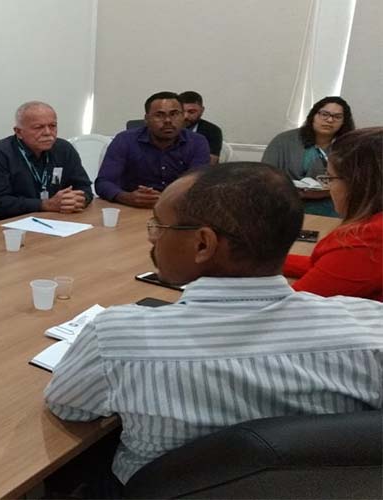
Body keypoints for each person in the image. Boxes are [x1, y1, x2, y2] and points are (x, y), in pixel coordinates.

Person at [45, 163, 383, 488]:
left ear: (203, 244)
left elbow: (68, 406)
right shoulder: (372, 328)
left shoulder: (117, 336)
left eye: (159, 226)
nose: (152, 238)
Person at [284, 127, 382, 300]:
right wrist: (256, 261)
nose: (329, 188)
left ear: (359, 184)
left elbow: (295, 305)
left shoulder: (369, 239)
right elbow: (328, 267)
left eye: (330, 178)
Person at [95, 92, 210, 208]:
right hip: (132, 207)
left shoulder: (197, 142)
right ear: (146, 119)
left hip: (178, 207)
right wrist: (126, 197)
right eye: (159, 115)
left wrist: (166, 198)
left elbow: (199, 184)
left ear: (183, 116)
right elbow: (104, 182)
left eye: (174, 114)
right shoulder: (125, 140)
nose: (168, 120)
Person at [0, 101, 93, 217]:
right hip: (9, 222)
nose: (48, 133)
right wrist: (44, 205)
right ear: (19, 132)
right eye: (38, 127)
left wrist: (78, 200)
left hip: (56, 218)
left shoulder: (64, 149)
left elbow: (84, 187)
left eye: (52, 126)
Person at [262, 96, 356, 217]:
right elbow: (265, 175)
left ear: (344, 122)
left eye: (337, 117)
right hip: (285, 201)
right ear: (313, 115)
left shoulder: (349, 146)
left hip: (331, 203)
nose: (329, 120)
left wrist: (326, 191)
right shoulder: (283, 140)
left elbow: (354, 181)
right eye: (324, 114)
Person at [179, 90, 224, 165]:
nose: (186, 116)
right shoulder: (169, 127)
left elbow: (210, 163)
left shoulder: (213, 131)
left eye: (191, 112)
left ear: (202, 110)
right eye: (182, 112)